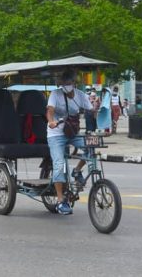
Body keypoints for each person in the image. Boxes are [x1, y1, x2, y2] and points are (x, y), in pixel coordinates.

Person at [46, 70, 93, 215]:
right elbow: (50, 110)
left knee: (90, 149)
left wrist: (101, 114)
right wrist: (51, 121)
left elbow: (90, 111)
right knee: (59, 164)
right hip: (56, 134)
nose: (67, 86)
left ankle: (77, 170)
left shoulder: (81, 95)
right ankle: (61, 201)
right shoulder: (55, 94)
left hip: (72, 132)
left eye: (69, 83)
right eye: (64, 84)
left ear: (74, 84)